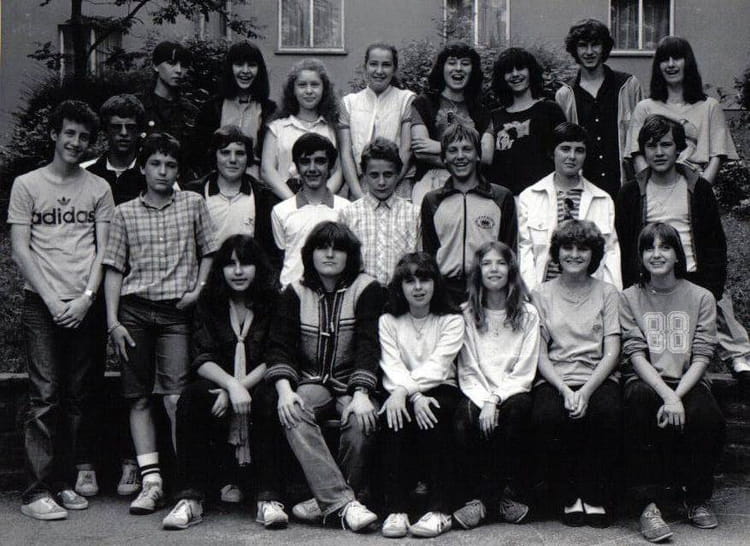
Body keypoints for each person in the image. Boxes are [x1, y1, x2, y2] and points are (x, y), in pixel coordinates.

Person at [8, 100, 114, 519]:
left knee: (77, 397)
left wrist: (87, 297)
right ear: (54, 134)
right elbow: (20, 250)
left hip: (83, 304)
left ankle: (62, 483)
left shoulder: (99, 188)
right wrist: (53, 301)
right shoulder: (27, 185)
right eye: (69, 133)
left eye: (84, 137)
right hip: (42, 304)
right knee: (45, 395)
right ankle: (35, 492)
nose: (75, 142)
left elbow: (103, 249)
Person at [103, 132, 217, 515]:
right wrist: (112, 321)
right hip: (134, 312)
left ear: (178, 169)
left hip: (176, 313)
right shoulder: (124, 212)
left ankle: (186, 481)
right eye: (155, 163)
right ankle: (151, 482)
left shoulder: (192, 203)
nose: (163, 171)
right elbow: (115, 268)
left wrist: (198, 290)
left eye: (170, 164)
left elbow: (209, 251)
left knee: (174, 397)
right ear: (143, 167)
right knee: (137, 396)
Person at [624, 36, 749, 384]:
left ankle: (738, 354)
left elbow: (717, 155)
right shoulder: (646, 107)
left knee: (708, 285)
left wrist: (694, 189)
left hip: (691, 194)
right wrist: (652, 185)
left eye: (677, 58)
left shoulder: (707, 106)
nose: (670, 65)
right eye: (664, 59)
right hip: (654, 200)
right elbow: (638, 154)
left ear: (688, 63)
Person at [261, 221, 382, 532]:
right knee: (294, 409)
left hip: (351, 385)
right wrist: (285, 392)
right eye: (322, 248)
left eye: (338, 249)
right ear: (310, 254)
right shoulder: (295, 292)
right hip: (311, 382)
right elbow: (279, 346)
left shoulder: (367, 288)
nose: (329, 254)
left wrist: (361, 393)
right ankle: (345, 503)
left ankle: (327, 501)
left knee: (361, 421)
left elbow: (369, 344)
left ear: (350, 255)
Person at [161, 235, 283, 530]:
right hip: (220, 382)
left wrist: (241, 387)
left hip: (258, 381)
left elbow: (276, 354)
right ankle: (190, 498)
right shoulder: (210, 301)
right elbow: (201, 357)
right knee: (191, 397)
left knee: (269, 397)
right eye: (230, 264)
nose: (238, 272)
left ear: (258, 267)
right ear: (221, 269)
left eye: (246, 264)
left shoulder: (273, 301)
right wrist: (231, 386)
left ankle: (268, 499)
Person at [620, 223, 725, 542]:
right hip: (645, 380)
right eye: (649, 248)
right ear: (640, 256)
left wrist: (676, 395)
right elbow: (635, 353)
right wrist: (667, 396)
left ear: (678, 254)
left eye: (664, 247)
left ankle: (696, 498)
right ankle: (648, 505)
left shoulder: (701, 296)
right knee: (638, 404)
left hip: (687, 381)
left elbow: (703, 354)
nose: (656, 254)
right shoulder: (629, 297)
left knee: (708, 417)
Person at [531, 219, 621, 528]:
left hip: (597, 376)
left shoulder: (607, 292)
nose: (574, 254)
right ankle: (568, 496)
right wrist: (565, 390)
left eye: (582, 248)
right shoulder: (541, 293)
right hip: (555, 377)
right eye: (567, 247)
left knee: (607, 413)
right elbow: (540, 353)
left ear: (593, 253)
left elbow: (612, 351)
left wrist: (585, 391)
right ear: (557, 252)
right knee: (547, 416)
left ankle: (594, 495)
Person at [452, 241, 539, 530]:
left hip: (513, 390)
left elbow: (525, 369)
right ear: (478, 271)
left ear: (511, 269)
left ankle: (494, 499)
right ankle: (482, 499)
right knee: (465, 418)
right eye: (487, 263)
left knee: (515, 414)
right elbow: (468, 368)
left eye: (501, 263)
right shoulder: (465, 313)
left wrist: (496, 399)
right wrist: (486, 400)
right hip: (477, 389)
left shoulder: (528, 314)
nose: (494, 269)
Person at [377, 252, 463, 538]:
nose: (417, 287)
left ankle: (440, 511)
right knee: (393, 416)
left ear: (435, 283)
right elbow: (391, 365)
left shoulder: (451, 319)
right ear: (400, 286)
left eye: (424, 280)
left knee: (433, 413)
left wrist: (407, 392)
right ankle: (396, 509)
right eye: (410, 281)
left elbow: (438, 366)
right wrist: (411, 396)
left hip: (441, 387)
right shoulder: (388, 320)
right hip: (401, 388)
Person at [518, 122, 621, 291]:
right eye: (565, 149)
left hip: (589, 294)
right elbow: (525, 252)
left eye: (579, 150)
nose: (572, 156)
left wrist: (611, 297)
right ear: (552, 152)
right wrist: (531, 297)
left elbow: (611, 254)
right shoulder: (530, 197)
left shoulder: (602, 200)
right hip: (543, 293)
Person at [421, 123, 517, 304]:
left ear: (478, 155)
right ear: (444, 158)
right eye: (452, 150)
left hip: (489, 290)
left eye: (467, 149)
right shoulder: (432, 201)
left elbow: (510, 251)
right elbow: (429, 254)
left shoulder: (501, 197)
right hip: (446, 293)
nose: (460, 156)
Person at [556, 18, 643, 197]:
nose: (589, 52)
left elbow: (643, 137)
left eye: (595, 44)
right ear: (574, 49)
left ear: (604, 47)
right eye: (583, 45)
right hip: (584, 191)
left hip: (625, 188)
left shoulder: (628, 85)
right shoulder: (565, 95)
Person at [182, 125, 279, 263]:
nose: (233, 159)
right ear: (214, 155)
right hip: (207, 273)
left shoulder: (262, 197)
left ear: (248, 157)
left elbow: (270, 252)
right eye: (225, 152)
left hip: (246, 271)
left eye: (240, 153)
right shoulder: (193, 193)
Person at [410, 41, 490, 206]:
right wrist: (469, 155)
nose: (458, 68)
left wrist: (437, 147)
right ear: (442, 68)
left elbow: (487, 156)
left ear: (473, 70)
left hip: (472, 184)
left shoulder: (481, 110)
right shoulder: (423, 103)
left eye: (465, 63)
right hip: (430, 183)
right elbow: (421, 151)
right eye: (452, 63)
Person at [481, 47, 566, 195]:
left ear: (531, 72)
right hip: (504, 199)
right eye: (509, 71)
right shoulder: (494, 116)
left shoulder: (550, 110)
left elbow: (564, 153)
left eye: (520, 68)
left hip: (542, 197)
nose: (515, 74)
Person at [338, 137, 420, 285]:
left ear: (398, 173)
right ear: (364, 174)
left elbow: (419, 262)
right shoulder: (348, 214)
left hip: (400, 292)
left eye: (388, 175)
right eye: (374, 175)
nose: (381, 182)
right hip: (361, 293)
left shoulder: (413, 214)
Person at [271, 133, 349, 287]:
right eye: (305, 162)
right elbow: (281, 256)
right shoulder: (281, 211)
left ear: (330, 166)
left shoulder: (346, 209)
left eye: (320, 161)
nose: (312, 168)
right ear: (297, 166)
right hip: (292, 292)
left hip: (332, 292)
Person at [339, 43, 415, 199]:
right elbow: (346, 153)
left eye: (386, 65)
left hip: (398, 186)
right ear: (365, 67)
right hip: (360, 186)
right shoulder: (349, 103)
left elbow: (406, 149)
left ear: (394, 69)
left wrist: (388, 187)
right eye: (373, 64)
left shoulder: (406, 99)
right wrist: (358, 194)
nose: (379, 71)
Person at [262, 59, 343, 199]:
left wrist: (320, 200)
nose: (309, 91)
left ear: (324, 89)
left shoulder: (333, 129)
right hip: (284, 200)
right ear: (293, 90)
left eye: (315, 85)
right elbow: (267, 170)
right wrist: (294, 203)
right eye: (302, 85)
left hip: (323, 202)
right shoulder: (277, 128)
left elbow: (339, 172)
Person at [194, 41, 277, 179]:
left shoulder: (270, 110)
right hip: (217, 184)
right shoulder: (212, 107)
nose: (245, 71)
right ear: (230, 68)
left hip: (257, 184)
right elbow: (199, 154)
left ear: (259, 70)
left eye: (252, 65)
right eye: (239, 64)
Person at [140, 41, 198, 178]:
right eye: (171, 63)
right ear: (155, 65)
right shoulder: (138, 107)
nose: (178, 70)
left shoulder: (190, 112)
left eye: (184, 65)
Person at [82, 94, 147, 205]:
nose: (124, 133)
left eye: (130, 127)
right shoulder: (85, 173)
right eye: (116, 127)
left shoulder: (154, 174)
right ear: (105, 130)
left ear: (139, 131)